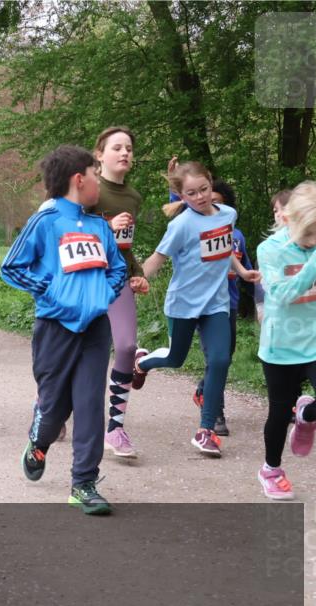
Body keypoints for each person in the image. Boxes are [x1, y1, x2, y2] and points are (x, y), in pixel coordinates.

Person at [1, 145, 127, 515]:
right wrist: (51, 289)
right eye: (94, 174)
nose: (98, 183)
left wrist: (104, 292)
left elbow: (117, 268)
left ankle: (83, 483)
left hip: (94, 330)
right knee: (55, 407)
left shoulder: (99, 227)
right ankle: (38, 443)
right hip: (55, 328)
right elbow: (12, 266)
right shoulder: (47, 220)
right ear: (78, 179)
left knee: (89, 404)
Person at [134, 162, 260, 456]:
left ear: (211, 184)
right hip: (183, 304)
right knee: (175, 359)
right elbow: (158, 258)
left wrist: (241, 271)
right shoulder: (181, 225)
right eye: (192, 193)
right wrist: (139, 277)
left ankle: (205, 431)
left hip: (215, 304)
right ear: (181, 195)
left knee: (219, 361)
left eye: (204, 189)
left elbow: (225, 247)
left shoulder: (228, 214)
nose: (201, 197)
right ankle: (142, 364)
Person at [255, 180, 316, 499]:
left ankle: (307, 415)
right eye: (310, 234)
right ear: (288, 219)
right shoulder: (269, 250)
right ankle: (271, 469)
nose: (315, 241)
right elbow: (282, 295)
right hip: (281, 346)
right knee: (279, 414)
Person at [88, 127, 150, 459]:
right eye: (117, 147)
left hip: (116, 279)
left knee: (126, 346)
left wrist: (137, 274)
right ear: (100, 155)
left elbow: (124, 248)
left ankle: (115, 427)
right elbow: (69, 231)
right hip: (82, 280)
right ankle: (50, 406)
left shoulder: (133, 197)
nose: (124, 153)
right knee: (76, 349)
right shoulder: (87, 189)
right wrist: (105, 227)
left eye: (129, 148)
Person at [189, 178, 251, 436]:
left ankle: (204, 390)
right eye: (208, 201)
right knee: (215, 358)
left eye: (218, 203)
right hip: (205, 304)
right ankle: (216, 415)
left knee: (224, 358)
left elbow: (245, 267)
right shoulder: (194, 229)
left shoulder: (236, 236)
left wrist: (258, 297)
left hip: (231, 302)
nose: (211, 206)